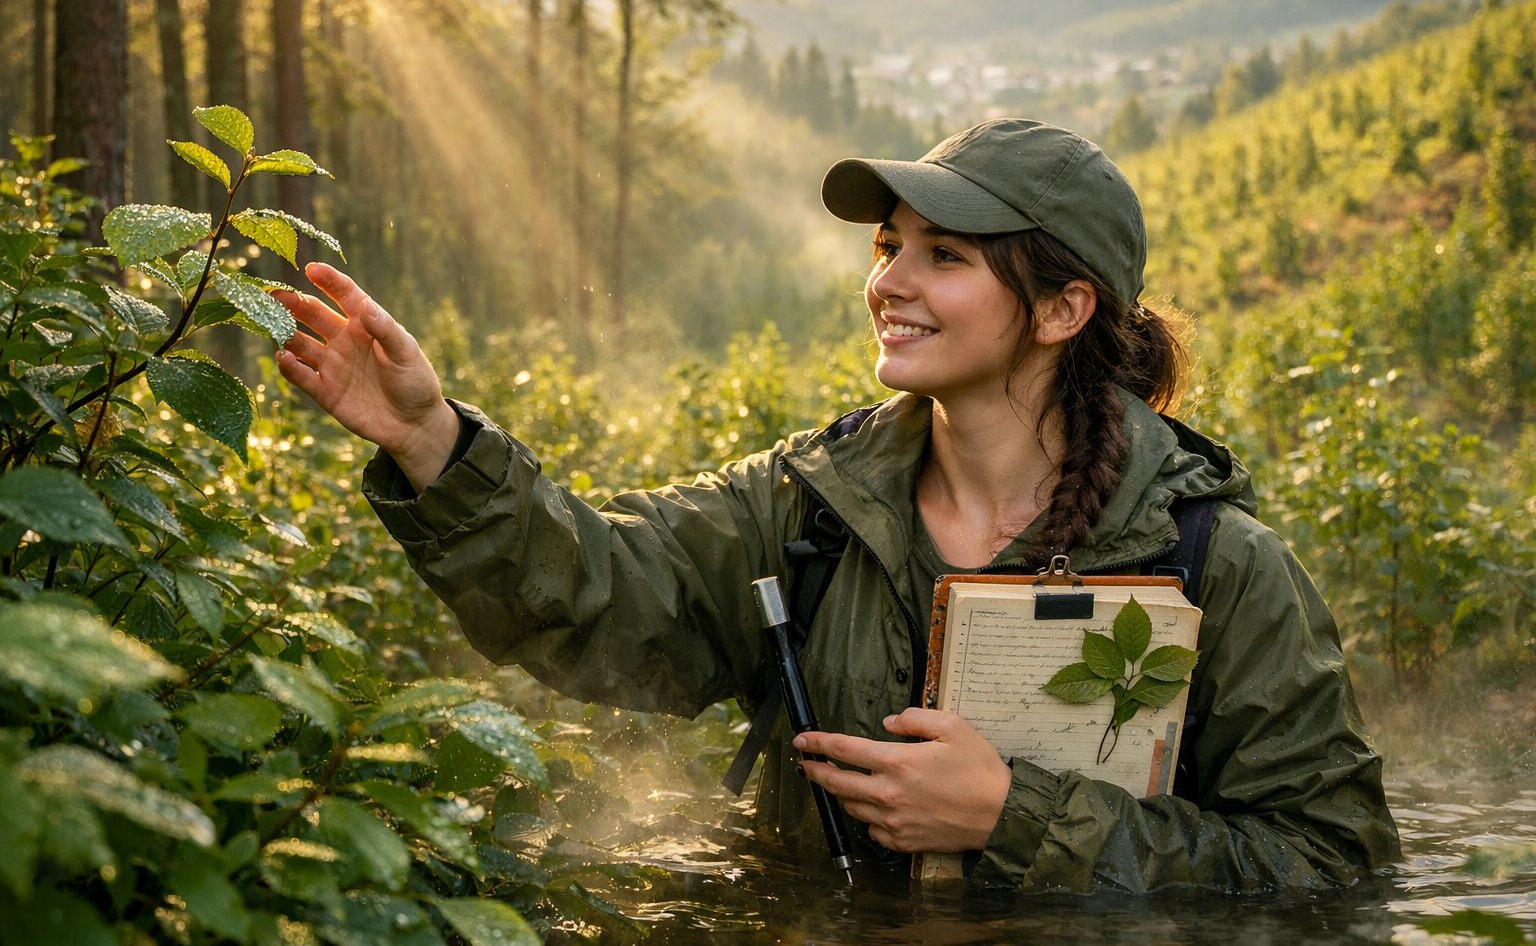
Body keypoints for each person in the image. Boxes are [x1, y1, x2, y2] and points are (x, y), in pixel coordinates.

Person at [271, 118, 1401, 892]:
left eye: (944, 255)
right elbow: (606, 595)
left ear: (1063, 308)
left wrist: (1010, 819)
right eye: (888, 245)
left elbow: (1333, 862)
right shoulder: (805, 508)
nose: (889, 283)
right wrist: (433, 442)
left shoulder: (1217, 565)